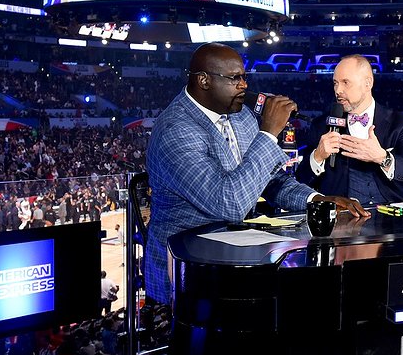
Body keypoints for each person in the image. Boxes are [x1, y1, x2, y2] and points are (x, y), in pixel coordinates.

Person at [144, 43, 367, 306]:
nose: (244, 86)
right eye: (234, 78)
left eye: (244, 77)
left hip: (236, 258)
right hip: (186, 273)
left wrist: (316, 200)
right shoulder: (175, 129)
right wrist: (269, 133)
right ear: (203, 80)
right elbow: (230, 204)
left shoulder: (240, 117)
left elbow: (271, 181)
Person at [297, 54, 403, 205]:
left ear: (368, 83)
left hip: (391, 211)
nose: (338, 90)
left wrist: (382, 157)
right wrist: (318, 156)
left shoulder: (400, 123)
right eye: (335, 83)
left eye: (345, 82)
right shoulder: (321, 125)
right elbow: (301, 179)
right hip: (343, 213)